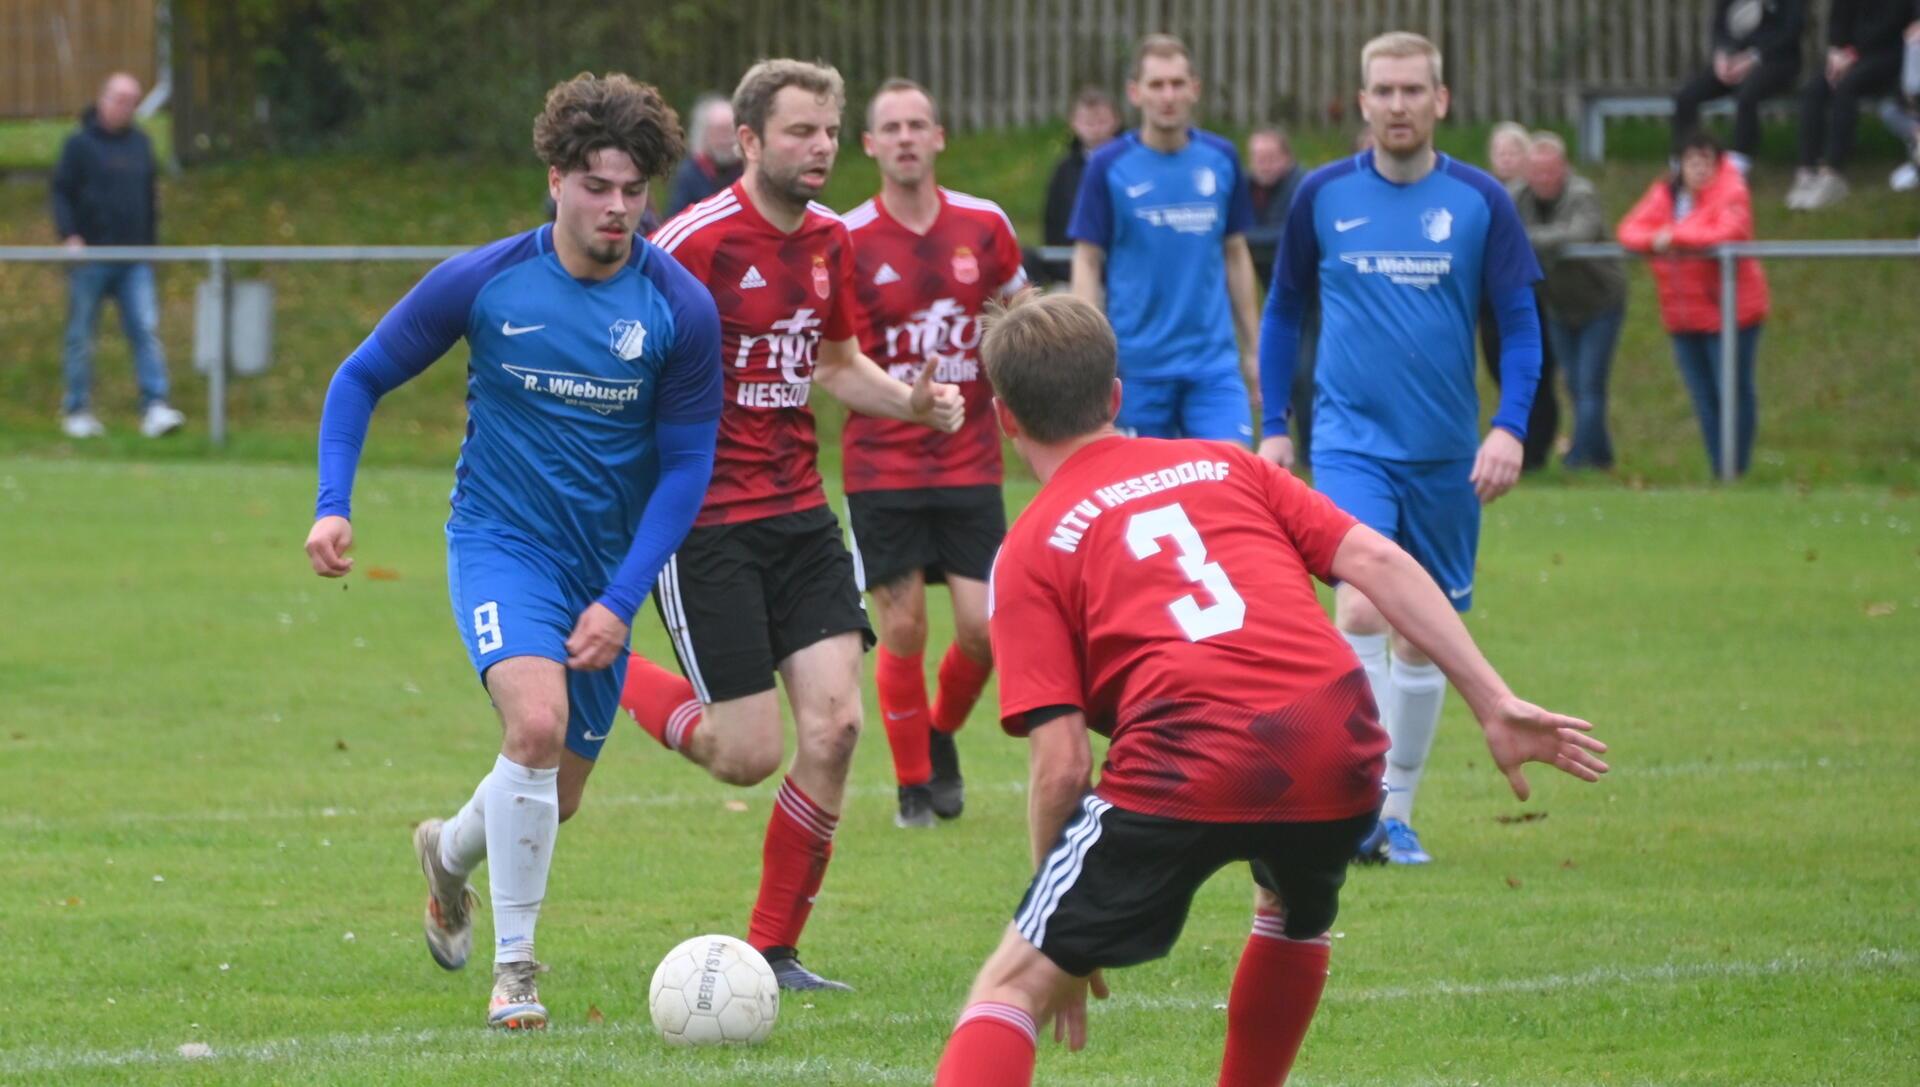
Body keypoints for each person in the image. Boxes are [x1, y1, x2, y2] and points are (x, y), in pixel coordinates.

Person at [930, 291, 1607, 1087]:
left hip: (1190, 753)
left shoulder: (1033, 546)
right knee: (1288, 911)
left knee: (1011, 983)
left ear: (1005, 420)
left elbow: (1062, 765)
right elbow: (1379, 562)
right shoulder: (1227, 462)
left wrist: (1062, 927)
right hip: (1337, 736)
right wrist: (1493, 700)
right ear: (1117, 394)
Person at [304, 73, 719, 1029]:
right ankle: (517, 974)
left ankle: (447, 855)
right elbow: (359, 377)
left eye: (633, 189)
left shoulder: (679, 309)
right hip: (501, 543)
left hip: (605, 569)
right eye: (595, 185)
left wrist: (621, 599)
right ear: (555, 177)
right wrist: (334, 504)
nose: (616, 208)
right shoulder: (486, 282)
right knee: (532, 727)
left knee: (551, 797)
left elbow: (687, 468)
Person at [621, 59, 965, 992]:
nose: (819, 148)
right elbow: (625, 371)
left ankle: (773, 948)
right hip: (706, 527)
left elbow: (837, 363)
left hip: (802, 512)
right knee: (746, 753)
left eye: (826, 130)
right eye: (800, 132)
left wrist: (912, 401)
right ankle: (611, 669)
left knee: (838, 725)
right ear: (749, 142)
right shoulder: (689, 244)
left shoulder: (829, 243)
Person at [1258, 31, 1544, 866]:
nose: (1397, 105)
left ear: (1440, 101)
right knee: (1358, 605)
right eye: (1382, 91)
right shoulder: (1320, 197)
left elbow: (1522, 328)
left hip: (1448, 452)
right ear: (1363, 102)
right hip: (1349, 443)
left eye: (1412, 90)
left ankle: (1398, 812)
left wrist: (1510, 425)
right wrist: (1277, 422)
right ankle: (1364, 806)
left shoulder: (1481, 201)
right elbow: (1282, 314)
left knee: (1424, 635)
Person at [842, 79, 1027, 828]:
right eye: (893, 127)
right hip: (883, 462)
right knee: (906, 627)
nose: (907, 137)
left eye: (919, 124)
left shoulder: (983, 226)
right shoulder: (847, 237)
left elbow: (1025, 323)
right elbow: (834, 355)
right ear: (871, 145)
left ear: (940, 136)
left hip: (970, 460)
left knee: (986, 629)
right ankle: (914, 785)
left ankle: (940, 731)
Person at [1070, 34, 1261, 443]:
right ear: (1135, 93)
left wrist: (1255, 348)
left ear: (1195, 89)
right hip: (1136, 370)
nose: (1168, 95)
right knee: (1143, 500)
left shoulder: (1221, 158)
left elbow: (1235, 253)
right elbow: (1087, 259)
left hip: (1212, 367)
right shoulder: (1108, 165)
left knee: (1227, 488)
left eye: (1177, 83)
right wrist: (1090, 354)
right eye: (1157, 85)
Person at [1618, 130, 1770, 478]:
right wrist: (1659, 238)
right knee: (1703, 396)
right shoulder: (1665, 194)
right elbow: (1630, 230)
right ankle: (1720, 467)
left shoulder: (1732, 190)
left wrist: (1673, 236)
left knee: (1733, 389)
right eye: (1692, 161)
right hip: (1683, 315)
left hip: (1731, 312)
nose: (1700, 168)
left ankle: (1736, 468)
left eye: (1707, 161)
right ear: (1680, 164)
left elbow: (1728, 232)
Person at [51, 72, 184, 440]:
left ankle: (155, 406)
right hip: (91, 258)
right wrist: (70, 236)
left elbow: (148, 200)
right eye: (120, 99)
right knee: (81, 334)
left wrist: (151, 247)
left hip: (135, 259)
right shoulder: (79, 145)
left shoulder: (141, 145)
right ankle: (77, 409)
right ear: (104, 98)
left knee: (145, 330)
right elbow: (60, 192)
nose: (126, 107)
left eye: (133, 101)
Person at [1511, 132, 1628, 470]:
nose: (1544, 179)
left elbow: (1578, 234)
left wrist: (1526, 240)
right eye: (1537, 171)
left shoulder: (1582, 194)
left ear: (1564, 169)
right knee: (1574, 383)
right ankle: (1601, 457)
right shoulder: (1517, 195)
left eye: (1550, 171)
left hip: (1600, 302)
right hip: (1559, 304)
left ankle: (1578, 459)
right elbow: (1497, 226)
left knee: (1588, 383)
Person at [1480, 123, 1559, 472]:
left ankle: (1535, 450)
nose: (1506, 159)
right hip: (1489, 299)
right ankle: (1519, 444)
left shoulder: (1529, 196)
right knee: (1499, 368)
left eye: (1513, 152)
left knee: (1535, 374)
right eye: (1500, 152)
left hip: (1532, 296)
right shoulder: (1482, 191)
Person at [1788, 0, 1912, 209]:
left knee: (1846, 87)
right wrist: (1836, 51)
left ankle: (1833, 172)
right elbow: (1838, 21)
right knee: (1813, 90)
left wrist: (1853, 55)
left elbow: (1891, 26)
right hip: (1849, 57)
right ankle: (1807, 171)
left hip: (1889, 56)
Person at [1673, 0, 1807, 172]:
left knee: (1746, 96)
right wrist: (1721, 55)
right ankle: (1684, 162)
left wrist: (1753, 58)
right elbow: (1719, 27)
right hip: (1732, 60)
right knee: (1686, 97)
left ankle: (1737, 166)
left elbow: (1791, 32)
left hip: (1776, 62)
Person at [1033, 87, 1120, 284]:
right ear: (1074, 124)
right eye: (1088, 122)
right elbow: (1053, 223)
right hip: (1072, 272)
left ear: (1116, 120)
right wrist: (1061, 271)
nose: (1095, 129)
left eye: (1101, 121)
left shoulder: (1130, 166)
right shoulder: (1064, 171)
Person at [665, 94, 744, 217]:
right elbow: (675, 216)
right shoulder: (690, 173)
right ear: (704, 134)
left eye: (730, 131)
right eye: (719, 131)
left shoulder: (749, 169)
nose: (726, 139)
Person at [1244, 125, 1303, 271]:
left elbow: (1290, 235)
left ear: (1288, 158)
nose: (1264, 166)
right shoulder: (1244, 184)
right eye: (1258, 158)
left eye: (1271, 158)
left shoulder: (1302, 186)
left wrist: (1238, 239)